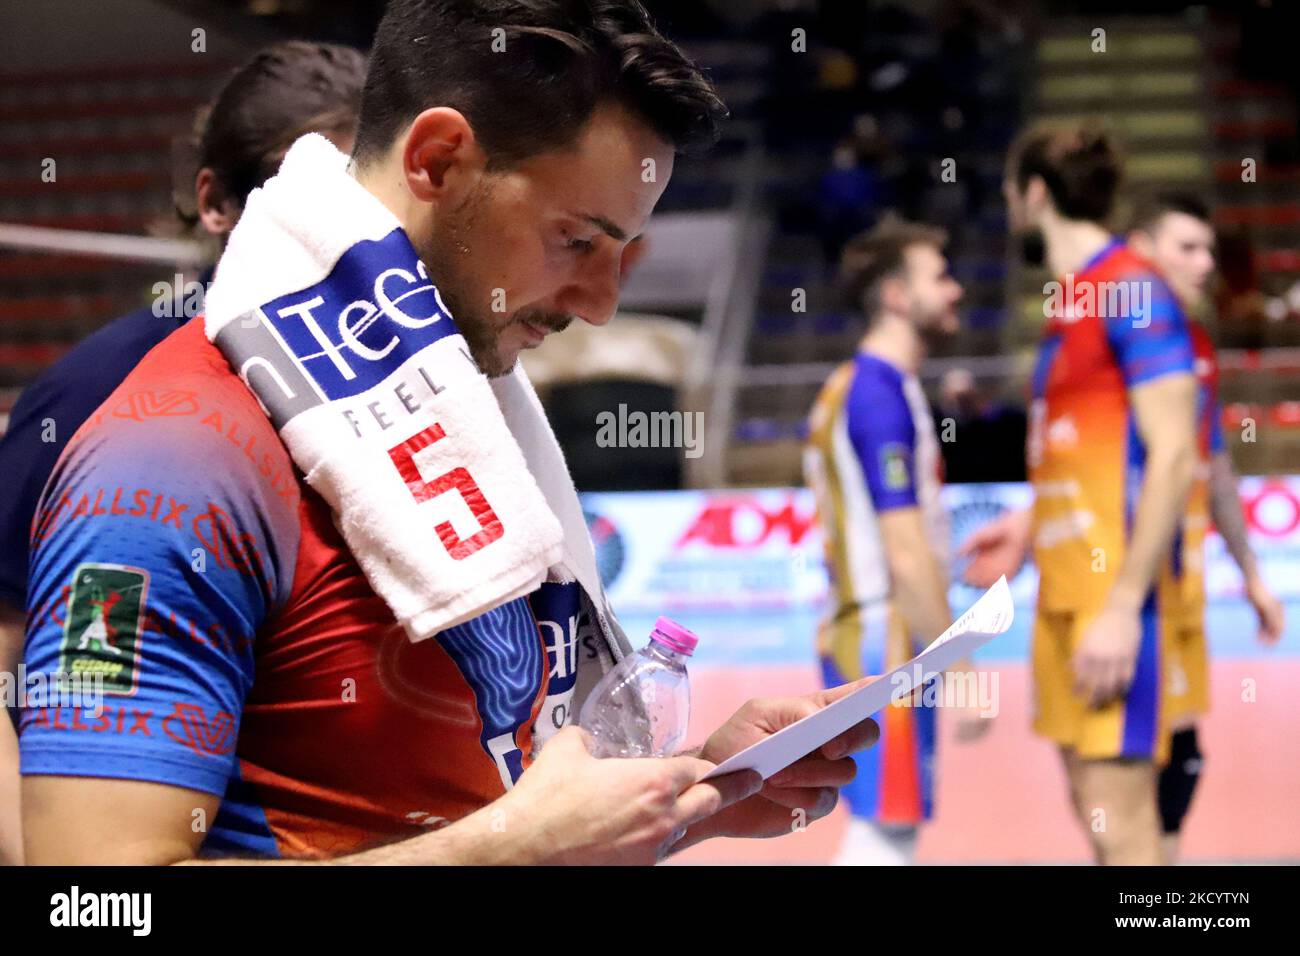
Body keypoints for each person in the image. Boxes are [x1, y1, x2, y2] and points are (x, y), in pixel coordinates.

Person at [18, 0, 878, 866]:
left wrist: (693, 789)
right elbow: (90, 902)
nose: (602, 303)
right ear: (437, 160)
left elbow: (484, 784)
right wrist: (510, 852)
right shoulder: (166, 467)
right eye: (576, 240)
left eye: (623, 253)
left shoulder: (468, 406)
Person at [0, 39, 367, 867]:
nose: (340, 233)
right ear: (215, 203)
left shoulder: (407, 393)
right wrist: (50, 866)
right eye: (296, 192)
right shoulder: (96, 389)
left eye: (359, 200)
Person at [963, 123, 1199, 865]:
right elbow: (1093, 451)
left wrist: (1126, 606)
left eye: (1010, 190)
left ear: (1034, 193)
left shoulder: (1132, 289)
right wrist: (1031, 525)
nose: (1009, 205)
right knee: (1095, 819)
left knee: (1126, 829)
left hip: (1113, 603)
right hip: (1061, 598)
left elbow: (1175, 454)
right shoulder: (1070, 305)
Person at [804, 218, 988, 866]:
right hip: (887, 641)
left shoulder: (861, 386)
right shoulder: (877, 394)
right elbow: (902, 549)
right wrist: (960, 670)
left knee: (890, 822)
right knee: (886, 828)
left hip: (869, 630)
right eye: (939, 276)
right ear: (896, 296)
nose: (957, 289)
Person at [1128, 191, 1285, 863]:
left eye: (1208, 250)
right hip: (1120, 586)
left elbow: (1213, 461)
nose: (1205, 263)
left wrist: (1251, 574)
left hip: (1180, 584)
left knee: (1184, 750)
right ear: (1142, 249)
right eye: (1186, 247)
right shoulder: (1114, 335)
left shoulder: (1192, 342)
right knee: (1121, 757)